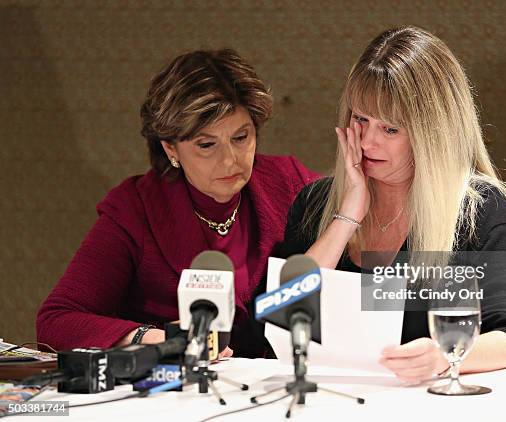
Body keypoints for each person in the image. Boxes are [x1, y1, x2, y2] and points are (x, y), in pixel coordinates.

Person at [281, 26, 506, 383]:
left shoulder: (479, 211)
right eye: (361, 120)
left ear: (432, 132)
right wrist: (347, 217)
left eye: (390, 130)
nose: (368, 142)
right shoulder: (315, 204)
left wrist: (446, 354)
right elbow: (280, 314)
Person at [37, 49, 318, 357]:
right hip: (176, 395)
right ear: (171, 147)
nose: (229, 160)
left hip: (274, 389)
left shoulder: (288, 181)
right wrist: (157, 338)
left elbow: (361, 278)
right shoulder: (135, 208)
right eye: (206, 144)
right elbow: (56, 320)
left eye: (241, 138)